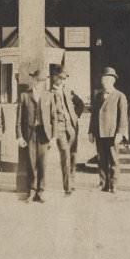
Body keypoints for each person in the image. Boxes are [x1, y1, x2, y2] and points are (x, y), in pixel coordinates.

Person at [16, 68, 54, 203]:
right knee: (31, 163)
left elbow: (54, 118)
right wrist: (19, 136)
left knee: (43, 164)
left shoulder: (49, 96)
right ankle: (31, 191)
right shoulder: (24, 96)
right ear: (33, 80)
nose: (39, 83)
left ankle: (41, 191)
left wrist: (53, 137)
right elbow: (18, 119)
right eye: (37, 80)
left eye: (42, 81)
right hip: (29, 134)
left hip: (44, 135)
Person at [89, 67, 128, 193]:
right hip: (99, 132)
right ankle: (103, 184)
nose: (104, 82)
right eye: (103, 79)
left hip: (112, 133)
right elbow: (94, 115)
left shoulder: (120, 96)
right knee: (102, 159)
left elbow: (123, 117)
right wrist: (91, 131)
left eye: (107, 79)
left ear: (113, 80)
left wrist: (120, 133)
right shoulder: (98, 96)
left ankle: (113, 184)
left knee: (113, 159)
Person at [49, 66, 82, 194]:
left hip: (72, 127)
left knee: (73, 155)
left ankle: (72, 181)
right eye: (61, 78)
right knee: (65, 155)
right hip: (60, 128)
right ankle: (67, 187)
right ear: (54, 77)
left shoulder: (68, 91)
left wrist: (75, 116)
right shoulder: (49, 93)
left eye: (65, 78)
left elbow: (80, 104)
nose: (63, 81)